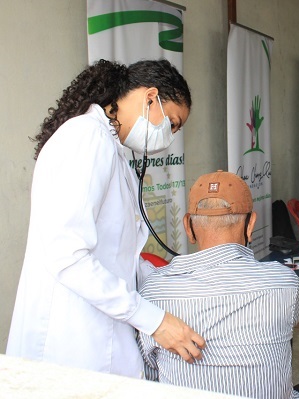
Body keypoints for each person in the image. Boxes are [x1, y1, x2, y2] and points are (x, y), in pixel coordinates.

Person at [6, 59, 205, 377]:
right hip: (69, 343)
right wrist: (154, 321)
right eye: (172, 122)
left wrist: (180, 280)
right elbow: (67, 255)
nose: (170, 135)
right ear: (150, 97)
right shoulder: (87, 139)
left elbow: (115, 255)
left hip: (93, 335)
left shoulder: (108, 147)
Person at [137, 171, 299, 399]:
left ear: (188, 227)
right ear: (250, 224)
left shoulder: (154, 291)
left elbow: (150, 373)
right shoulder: (284, 283)